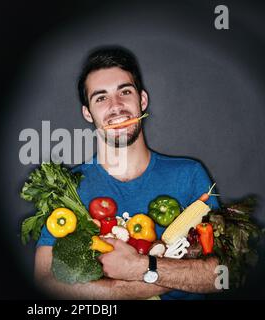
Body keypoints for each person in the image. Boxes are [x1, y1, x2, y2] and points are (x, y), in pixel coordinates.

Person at [34, 45, 220, 300]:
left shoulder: (189, 176)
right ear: (88, 113)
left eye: (125, 92)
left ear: (142, 100)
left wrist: (140, 267)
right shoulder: (68, 188)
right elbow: (44, 281)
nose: (116, 106)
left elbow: (220, 274)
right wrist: (128, 288)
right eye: (101, 98)